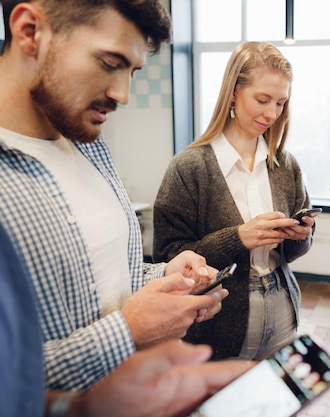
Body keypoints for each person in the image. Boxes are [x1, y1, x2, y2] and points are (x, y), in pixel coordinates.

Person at [0, 0, 228, 391]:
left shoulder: (89, 146)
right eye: (110, 63)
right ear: (29, 31)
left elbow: (107, 280)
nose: (123, 95)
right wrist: (129, 331)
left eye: (133, 71)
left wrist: (163, 276)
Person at [153, 41, 314, 361]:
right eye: (262, 99)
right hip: (219, 319)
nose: (272, 113)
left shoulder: (285, 164)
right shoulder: (189, 167)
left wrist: (301, 234)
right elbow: (168, 257)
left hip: (282, 304)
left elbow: (292, 254)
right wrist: (238, 238)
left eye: (281, 103)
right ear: (232, 93)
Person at [0, 220, 252, 417]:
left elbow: (118, 272)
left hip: (135, 395)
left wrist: (165, 275)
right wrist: (128, 331)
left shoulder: (96, 158)